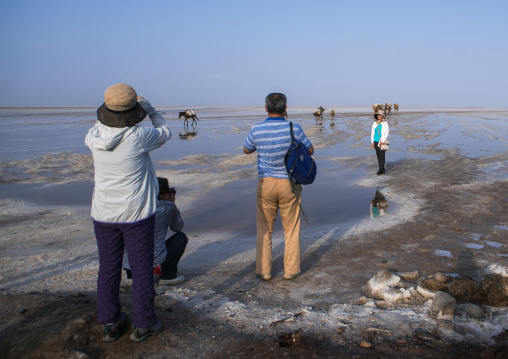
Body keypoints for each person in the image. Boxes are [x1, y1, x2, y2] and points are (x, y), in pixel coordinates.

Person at [85, 83, 171, 342]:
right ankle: (144, 322)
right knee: (142, 268)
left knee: (108, 268)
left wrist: (115, 107)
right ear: (133, 111)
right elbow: (164, 131)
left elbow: (102, 123)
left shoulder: (93, 136)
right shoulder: (138, 137)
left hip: (103, 215)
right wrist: (150, 109)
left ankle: (110, 322)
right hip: (136, 216)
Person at [244, 93, 314, 281]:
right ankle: (291, 271)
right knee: (291, 230)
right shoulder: (294, 128)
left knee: (264, 229)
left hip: (265, 183)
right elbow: (310, 150)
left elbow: (246, 149)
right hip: (289, 184)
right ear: (285, 109)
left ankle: (264, 271)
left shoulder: (256, 129)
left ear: (266, 108)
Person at [123, 177, 188, 286]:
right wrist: (173, 205)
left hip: (129, 266)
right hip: (150, 266)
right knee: (181, 238)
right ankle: (168, 276)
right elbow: (178, 227)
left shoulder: (134, 204)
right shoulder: (166, 207)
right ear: (164, 195)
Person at [371, 110, 390, 175]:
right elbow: (372, 132)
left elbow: (386, 133)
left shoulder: (385, 123)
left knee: (382, 156)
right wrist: (372, 141)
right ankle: (381, 168)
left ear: (382, 116)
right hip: (375, 141)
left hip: (382, 141)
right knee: (378, 156)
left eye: (380, 115)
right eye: (378, 115)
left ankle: (381, 170)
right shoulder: (374, 123)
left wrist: (382, 141)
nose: (379, 116)